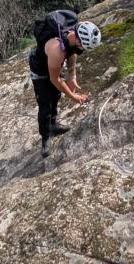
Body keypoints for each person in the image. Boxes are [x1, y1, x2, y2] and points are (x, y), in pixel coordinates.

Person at [28, 9, 101, 157]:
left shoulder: (73, 34)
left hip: (53, 64)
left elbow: (72, 52)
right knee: (45, 105)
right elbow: (55, 79)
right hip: (40, 69)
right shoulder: (57, 50)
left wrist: (72, 76)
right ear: (79, 40)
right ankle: (46, 137)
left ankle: (53, 125)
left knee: (55, 96)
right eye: (83, 47)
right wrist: (73, 96)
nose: (83, 50)